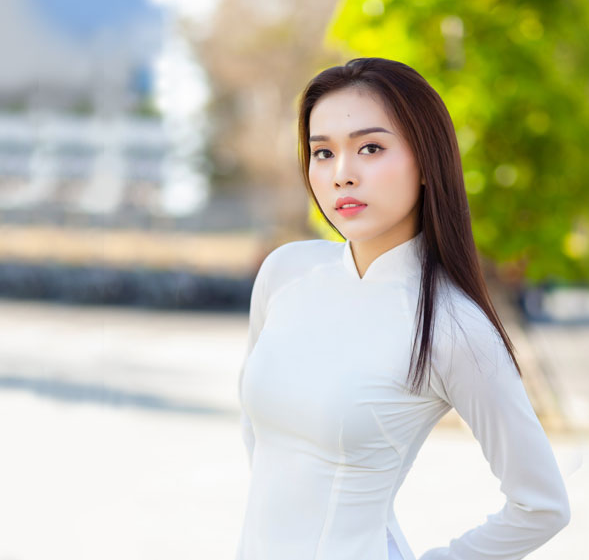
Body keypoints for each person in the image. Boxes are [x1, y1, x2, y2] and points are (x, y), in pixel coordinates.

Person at [235, 57, 570, 560]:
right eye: (323, 152)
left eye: (370, 148)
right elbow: (267, 449)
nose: (342, 174)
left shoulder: (452, 327)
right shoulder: (287, 273)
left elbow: (541, 505)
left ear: (427, 163)